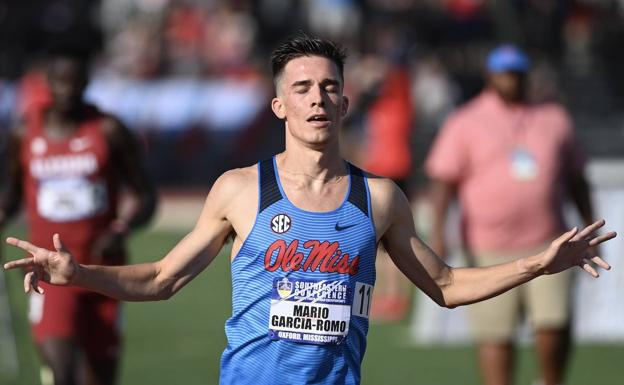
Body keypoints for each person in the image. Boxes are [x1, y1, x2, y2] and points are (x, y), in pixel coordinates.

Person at [3, 35, 615, 385]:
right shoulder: (240, 190)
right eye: (302, 88)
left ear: (345, 103)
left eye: (328, 87)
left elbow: (448, 286)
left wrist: (538, 263)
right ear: (279, 107)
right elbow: (163, 278)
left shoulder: (378, 199)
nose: (317, 99)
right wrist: (78, 273)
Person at [426, 44, 596, 385]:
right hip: (487, 244)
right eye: (505, 74)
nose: (512, 80)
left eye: (517, 73)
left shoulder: (553, 118)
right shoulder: (465, 120)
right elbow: (443, 183)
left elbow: (577, 179)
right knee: (494, 331)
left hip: (550, 240)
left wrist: (588, 230)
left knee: (554, 322)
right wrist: (439, 234)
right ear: (491, 76)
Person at [0, 46, 156, 385]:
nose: (66, 90)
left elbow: (146, 195)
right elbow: (11, 194)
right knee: (62, 372)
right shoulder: (24, 134)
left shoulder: (109, 130)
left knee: (98, 377)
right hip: (49, 269)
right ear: (48, 84)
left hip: (103, 269)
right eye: (59, 82)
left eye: (75, 82)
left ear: (86, 84)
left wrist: (121, 227)